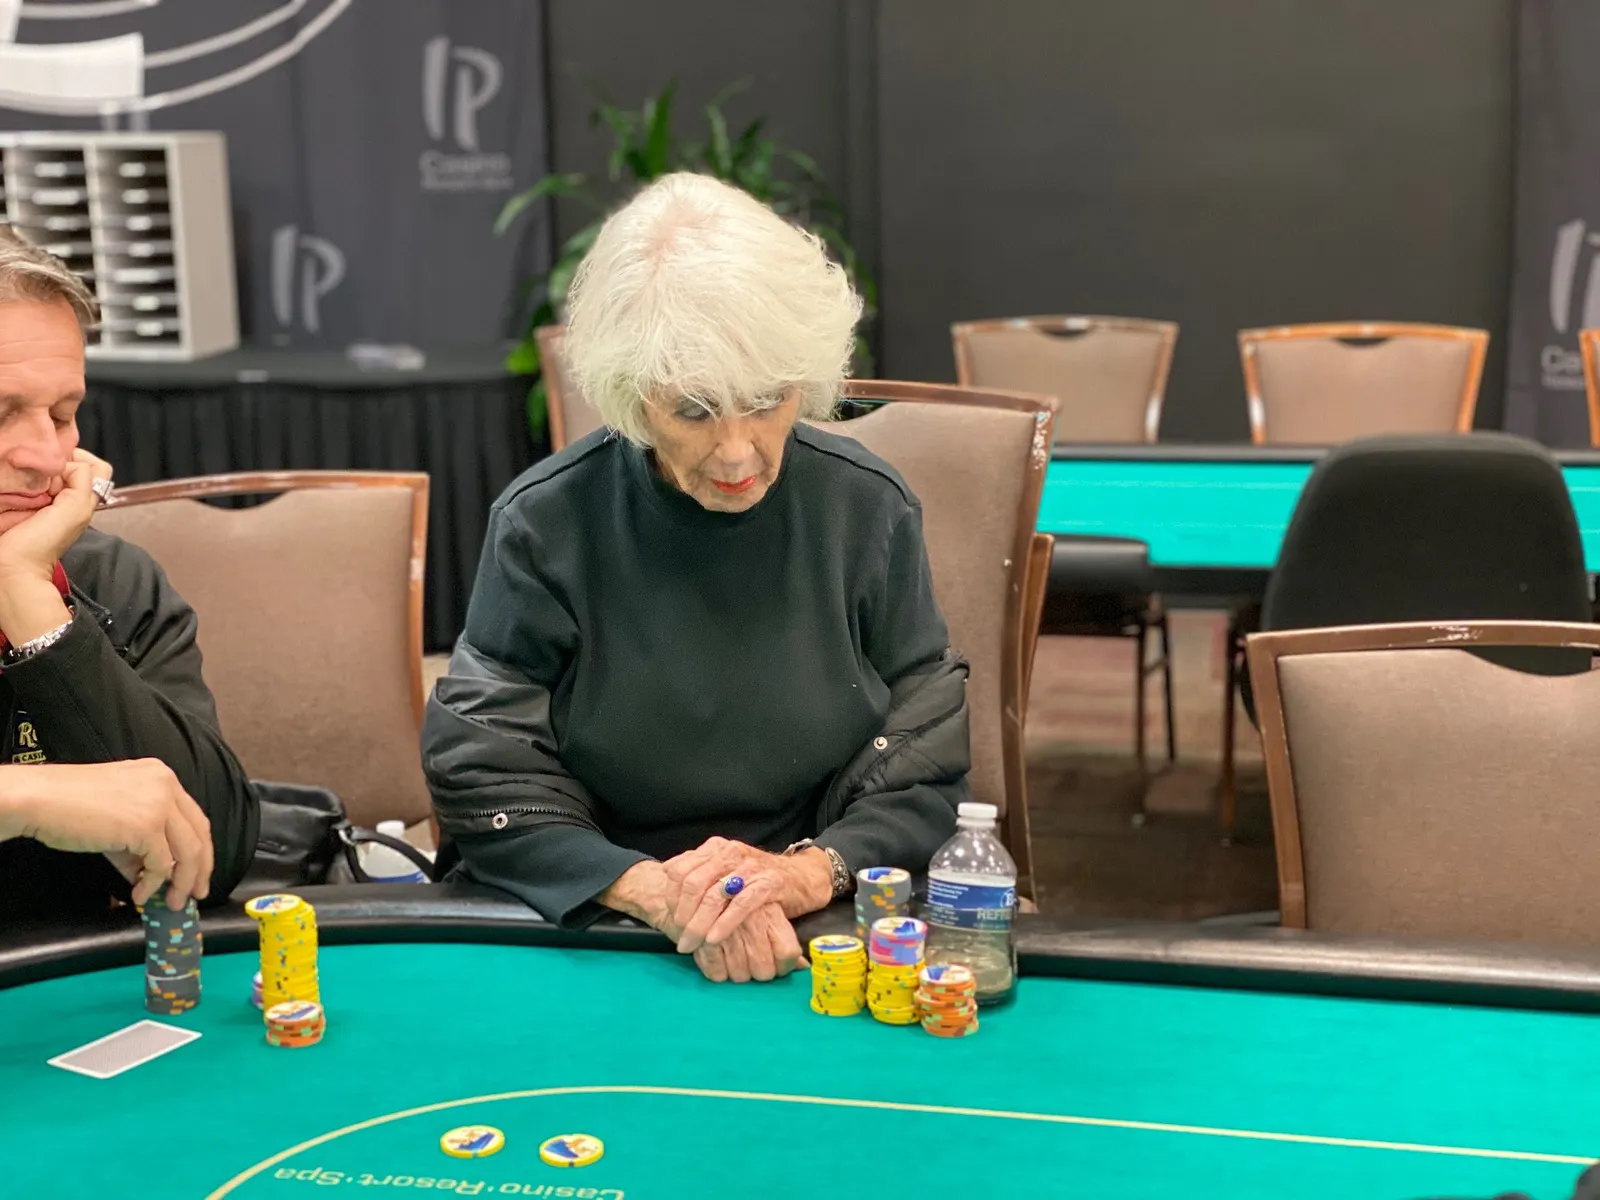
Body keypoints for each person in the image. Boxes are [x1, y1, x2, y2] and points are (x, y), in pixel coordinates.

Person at [424, 173, 972, 982]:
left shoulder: (869, 510)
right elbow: (483, 766)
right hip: (605, 919)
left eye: (766, 400)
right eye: (694, 411)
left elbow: (929, 758)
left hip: (820, 914)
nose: (738, 452)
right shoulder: (544, 525)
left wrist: (803, 874)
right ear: (633, 397)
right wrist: (657, 892)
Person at [0, 227, 258, 922]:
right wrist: (22, 798)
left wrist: (29, 601)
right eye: (2, 413)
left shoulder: (109, 580)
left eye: (63, 414)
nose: (46, 456)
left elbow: (211, 856)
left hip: (71, 979)